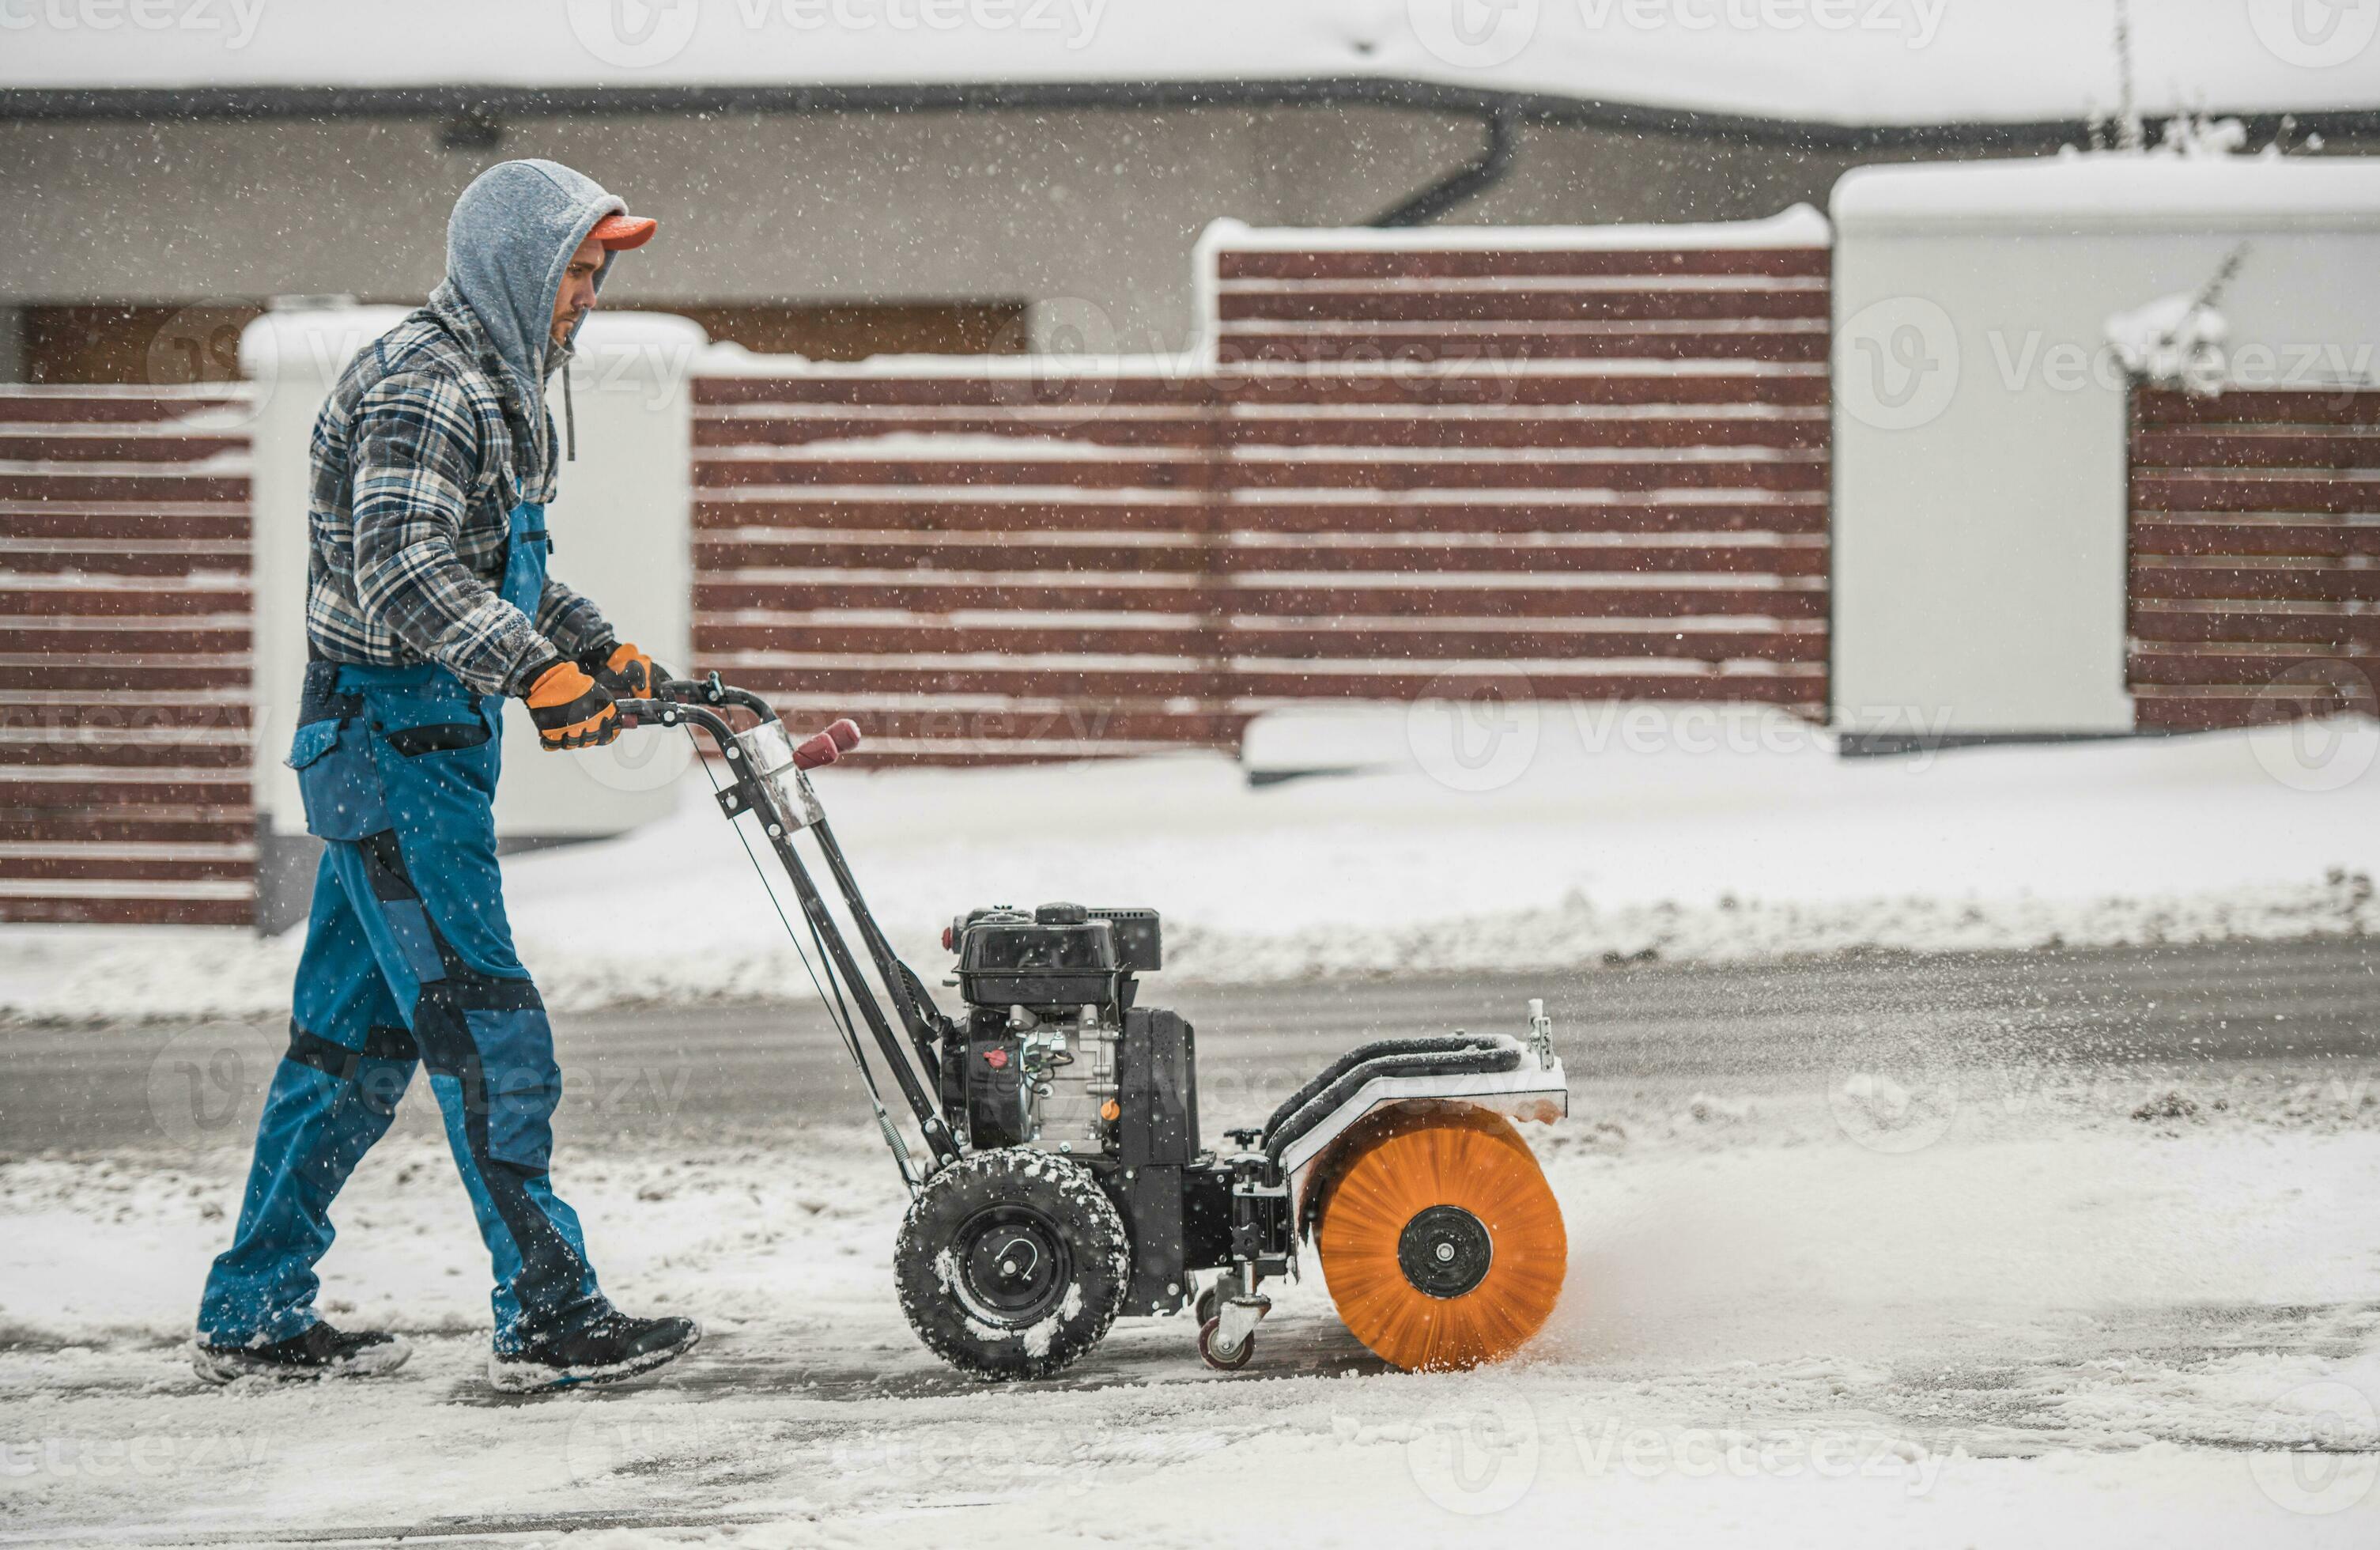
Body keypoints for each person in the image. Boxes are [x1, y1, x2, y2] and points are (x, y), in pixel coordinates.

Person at [194, 159, 697, 1393]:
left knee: (348, 1045)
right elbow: (404, 573)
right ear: (517, 269)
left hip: (411, 747)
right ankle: (550, 1308)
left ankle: (255, 1305)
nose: (586, 295)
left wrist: (589, 645)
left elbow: (498, 560)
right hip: (394, 746)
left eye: (596, 273)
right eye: (575, 270)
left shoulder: (493, 379)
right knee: (487, 1026)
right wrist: (536, 673)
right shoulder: (429, 385)